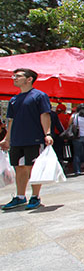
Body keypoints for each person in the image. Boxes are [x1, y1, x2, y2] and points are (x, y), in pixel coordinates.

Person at [1, 68, 53, 210]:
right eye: (14, 76)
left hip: (34, 138)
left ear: (29, 79)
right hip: (17, 139)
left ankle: (35, 197)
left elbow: (45, 115)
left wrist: (47, 133)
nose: (14, 78)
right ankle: (20, 197)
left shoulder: (39, 96)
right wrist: (7, 139)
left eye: (18, 76)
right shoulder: (14, 100)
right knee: (19, 168)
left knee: (33, 168)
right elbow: (11, 121)